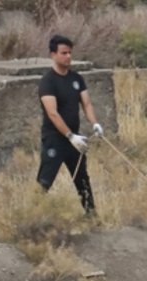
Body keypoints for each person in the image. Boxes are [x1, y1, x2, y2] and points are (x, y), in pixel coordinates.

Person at [37, 34, 103, 214]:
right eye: (63, 53)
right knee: (44, 182)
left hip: (75, 139)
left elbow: (86, 104)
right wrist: (69, 135)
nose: (68, 57)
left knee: (82, 180)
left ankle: (91, 215)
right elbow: (52, 113)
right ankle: (33, 217)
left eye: (70, 53)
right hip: (55, 140)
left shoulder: (76, 79)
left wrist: (95, 124)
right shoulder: (48, 81)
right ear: (53, 55)